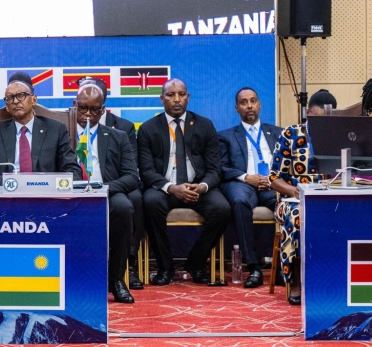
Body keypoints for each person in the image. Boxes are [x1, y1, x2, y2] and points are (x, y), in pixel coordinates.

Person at [138, 79, 229, 286]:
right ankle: (165, 268)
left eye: (181, 94)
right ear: (162, 99)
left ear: (188, 97)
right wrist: (171, 188)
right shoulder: (148, 129)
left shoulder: (205, 125)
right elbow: (146, 171)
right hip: (165, 189)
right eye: (170, 95)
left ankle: (195, 264)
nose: (176, 99)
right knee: (150, 203)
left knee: (222, 208)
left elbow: (215, 169)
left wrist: (203, 186)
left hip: (197, 187)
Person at [77, 76, 144, 290]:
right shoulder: (61, 132)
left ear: (103, 110)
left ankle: (116, 279)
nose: (87, 114)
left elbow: (132, 177)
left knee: (124, 206)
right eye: (82, 108)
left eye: (94, 110)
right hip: (71, 191)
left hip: (106, 190)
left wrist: (103, 189)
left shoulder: (118, 136)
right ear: (74, 105)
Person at [217, 87, 281, 288]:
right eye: (244, 102)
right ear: (237, 108)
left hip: (272, 184)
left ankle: (284, 265)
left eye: (253, 101)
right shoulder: (225, 136)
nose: (249, 106)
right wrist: (247, 177)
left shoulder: (278, 133)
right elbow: (221, 168)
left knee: (288, 203)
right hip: (243, 184)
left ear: (260, 105)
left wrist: (273, 179)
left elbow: (286, 163)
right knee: (239, 202)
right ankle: (253, 267)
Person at [0, 79, 80, 185]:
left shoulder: (56, 130)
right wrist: (9, 182)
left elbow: (73, 170)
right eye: (10, 98)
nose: (15, 101)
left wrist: (49, 185)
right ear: (7, 107)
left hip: (45, 195)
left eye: (21, 95)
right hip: (7, 196)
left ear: (34, 100)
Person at [269, 120, 321, 305]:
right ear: (309, 113)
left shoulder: (337, 133)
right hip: (292, 201)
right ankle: (296, 282)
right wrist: (294, 191)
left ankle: (333, 281)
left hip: (327, 199)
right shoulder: (291, 134)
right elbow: (273, 178)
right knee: (299, 215)